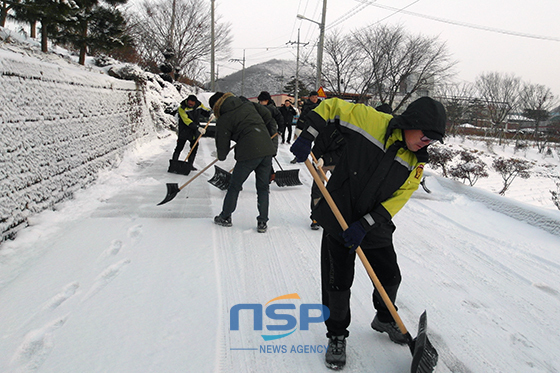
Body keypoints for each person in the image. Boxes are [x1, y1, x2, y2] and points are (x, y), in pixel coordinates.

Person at [290, 96, 446, 369]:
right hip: (340, 214)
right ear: (411, 123)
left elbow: (399, 197)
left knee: (390, 276)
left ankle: (385, 318)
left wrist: (366, 224)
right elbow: (331, 107)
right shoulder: (371, 121)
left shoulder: (417, 162)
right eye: (426, 135)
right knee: (338, 281)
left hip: (374, 225)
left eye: (433, 139)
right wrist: (308, 136)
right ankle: (337, 335)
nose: (427, 142)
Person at [309, 103, 392, 231]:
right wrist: (317, 157)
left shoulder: (358, 131)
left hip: (340, 161)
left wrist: (327, 159)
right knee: (318, 188)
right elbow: (319, 142)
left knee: (341, 189)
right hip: (321, 160)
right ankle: (316, 215)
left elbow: (344, 150)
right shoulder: (330, 127)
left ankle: (338, 216)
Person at [209, 92, 277, 233]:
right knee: (263, 188)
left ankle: (225, 216)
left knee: (234, 186)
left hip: (248, 152)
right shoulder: (248, 105)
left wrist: (221, 155)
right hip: (266, 148)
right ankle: (263, 221)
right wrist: (256, 128)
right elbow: (267, 115)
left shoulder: (224, 119)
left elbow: (222, 145)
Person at [170, 94, 211, 171]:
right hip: (184, 130)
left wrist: (210, 114)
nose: (190, 105)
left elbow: (205, 111)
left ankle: (190, 165)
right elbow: (186, 121)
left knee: (194, 147)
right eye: (189, 103)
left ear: (195, 102)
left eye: (192, 104)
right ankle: (174, 165)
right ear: (187, 101)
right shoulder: (182, 108)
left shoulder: (199, 105)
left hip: (194, 132)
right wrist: (198, 128)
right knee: (179, 147)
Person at [257, 91, 281, 182]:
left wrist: (281, 129)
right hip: (260, 133)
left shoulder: (272, 109)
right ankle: (271, 174)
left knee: (267, 155)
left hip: (271, 134)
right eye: (260, 101)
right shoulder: (259, 108)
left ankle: (270, 175)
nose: (261, 103)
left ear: (267, 100)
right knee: (264, 156)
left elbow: (280, 119)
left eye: (262, 101)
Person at [291, 91, 321, 163]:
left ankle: (316, 159)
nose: (315, 99)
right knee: (304, 143)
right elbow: (303, 117)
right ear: (310, 97)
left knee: (319, 144)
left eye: (316, 97)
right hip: (307, 127)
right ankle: (298, 157)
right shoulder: (306, 105)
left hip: (318, 127)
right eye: (313, 97)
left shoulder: (321, 105)